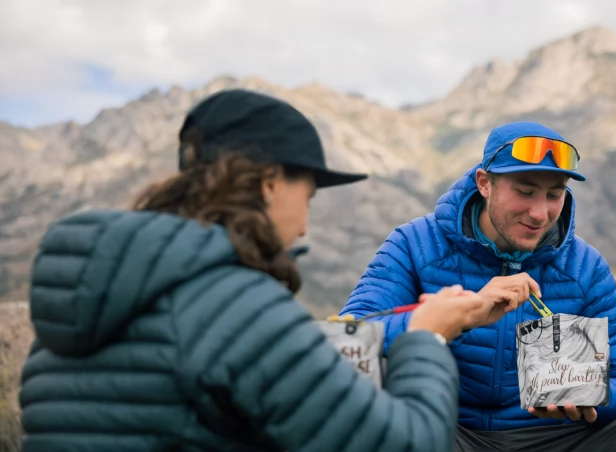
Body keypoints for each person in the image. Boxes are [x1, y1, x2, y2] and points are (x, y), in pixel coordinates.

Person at [17, 89, 512, 452]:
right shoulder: (234, 307)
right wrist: (426, 337)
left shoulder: (85, 302)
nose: (303, 227)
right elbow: (406, 443)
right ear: (272, 184)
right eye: (308, 197)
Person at [340, 121, 616, 451]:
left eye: (554, 194)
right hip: (443, 433)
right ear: (484, 183)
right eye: (525, 191)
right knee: (364, 397)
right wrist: (462, 317)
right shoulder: (414, 245)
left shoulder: (585, 268)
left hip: (555, 439)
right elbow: (349, 344)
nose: (540, 213)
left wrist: (588, 394)